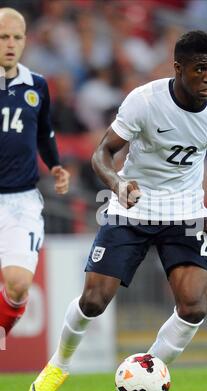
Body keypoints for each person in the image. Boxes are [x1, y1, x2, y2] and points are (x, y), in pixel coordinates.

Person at [28, 30, 207, 391]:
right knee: (94, 301)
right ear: (178, 68)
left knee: (194, 306)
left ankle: (146, 373)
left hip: (186, 212)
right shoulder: (144, 102)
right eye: (199, 69)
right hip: (133, 208)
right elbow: (101, 154)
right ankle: (59, 364)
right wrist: (116, 182)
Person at [0, 8, 70, 335]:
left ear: (26, 40)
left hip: (21, 201)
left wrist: (55, 165)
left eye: (16, 37)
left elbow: (44, 132)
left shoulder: (37, 85)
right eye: (3, 37)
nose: (10, 44)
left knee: (17, 285)